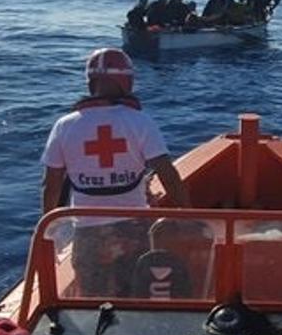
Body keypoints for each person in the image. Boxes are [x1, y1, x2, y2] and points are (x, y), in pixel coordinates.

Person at [41, 48, 191, 296]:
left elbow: (51, 185)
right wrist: (188, 218)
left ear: (91, 82)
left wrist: (48, 233)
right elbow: (168, 175)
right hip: (135, 229)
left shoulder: (64, 126)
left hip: (87, 232)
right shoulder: (140, 122)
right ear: (127, 81)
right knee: (138, 298)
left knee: (93, 302)